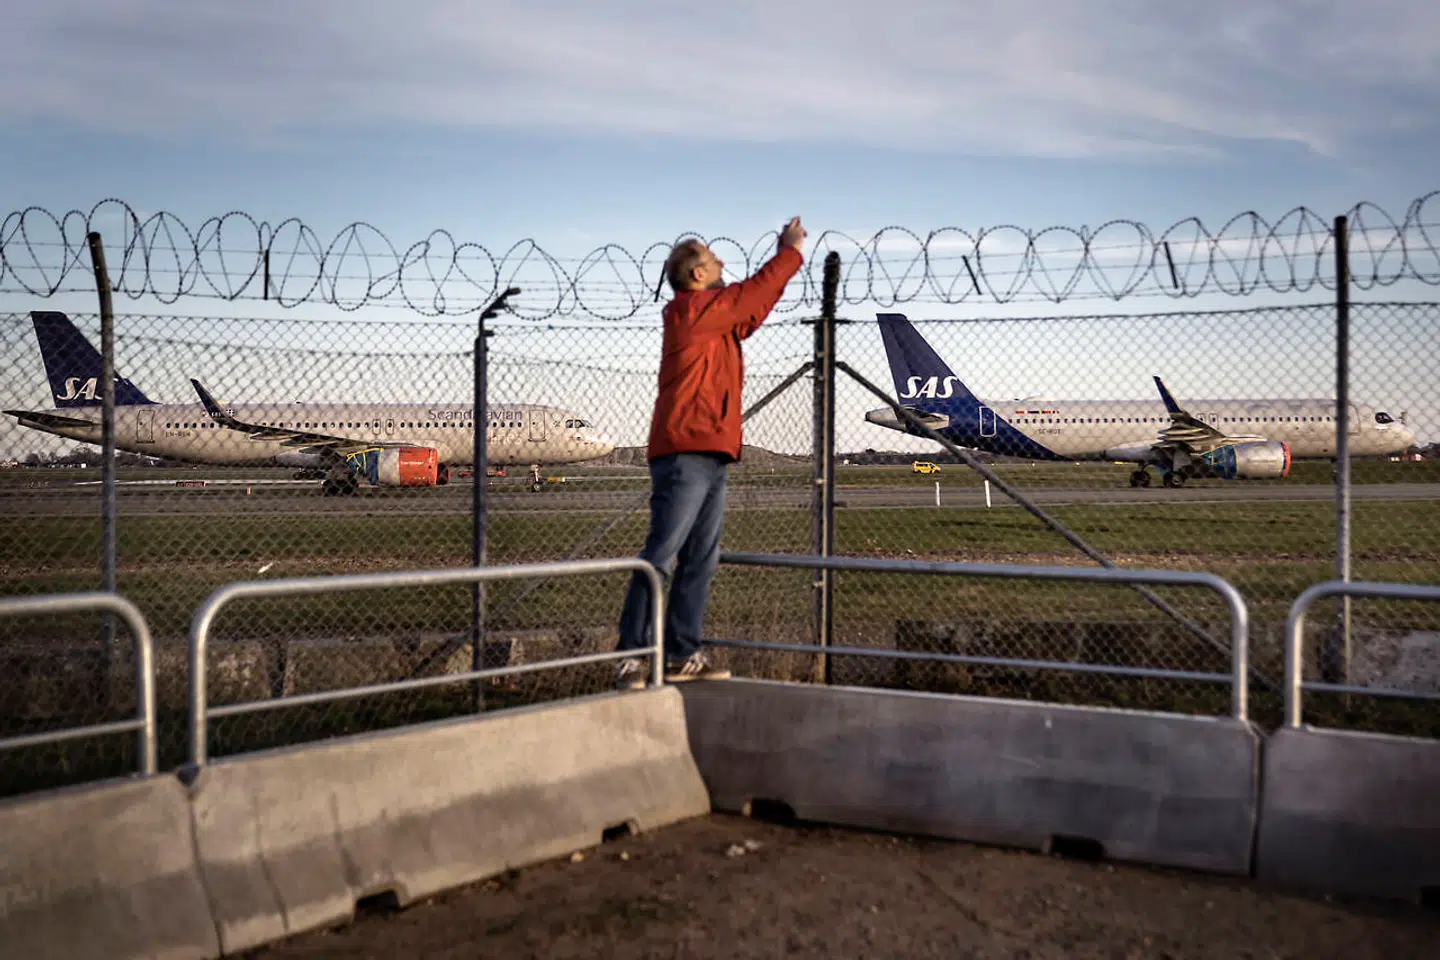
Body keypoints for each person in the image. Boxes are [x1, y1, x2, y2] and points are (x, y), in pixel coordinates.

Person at [615, 217, 808, 688]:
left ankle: (680, 654)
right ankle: (631, 657)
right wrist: (790, 252)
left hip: (712, 451)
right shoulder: (692, 313)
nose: (722, 261)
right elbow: (748, 297)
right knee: (661, 553)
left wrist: (777, 275)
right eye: (712, 257)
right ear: (696, 275)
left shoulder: (713, 321)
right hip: (685, 451)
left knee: (701, 556)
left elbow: (752, 309)